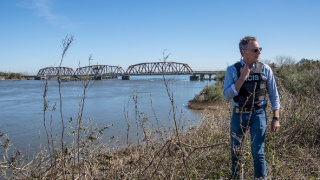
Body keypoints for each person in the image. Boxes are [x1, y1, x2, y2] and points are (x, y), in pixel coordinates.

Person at [223, 36, 280, 179]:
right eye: (255, 49)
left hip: (259, 114)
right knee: (236, 151)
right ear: (244, 52)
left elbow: (274, 95)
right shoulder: (232, 70)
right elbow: (227, 95)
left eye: (259, 49)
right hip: (239, 114)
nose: (259, 52)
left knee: (258, 151)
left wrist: (276, 118)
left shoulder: (265, 69)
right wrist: (242, 77)